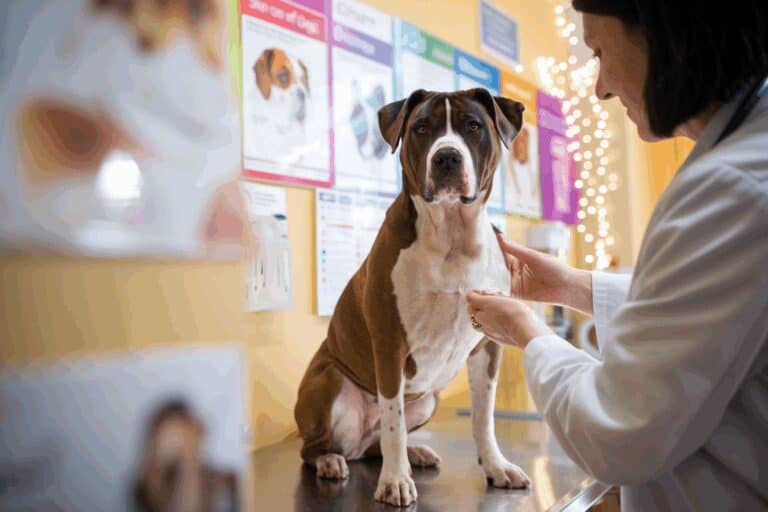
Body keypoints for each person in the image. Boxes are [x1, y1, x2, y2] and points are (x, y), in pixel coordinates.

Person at [466, 1, 768, 510]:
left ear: (666, 39)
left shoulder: (732, 187)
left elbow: (617, 432)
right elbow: (701, 312)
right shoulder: (742, 158)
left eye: (602, 52)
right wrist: (568, 285)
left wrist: (526, 331)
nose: (600, 87)